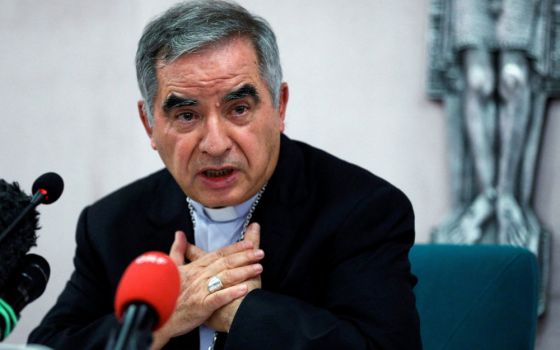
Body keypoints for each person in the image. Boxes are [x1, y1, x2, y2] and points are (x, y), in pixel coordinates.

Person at [28, 1, 421, 349]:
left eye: (238, 109)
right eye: (186, 115)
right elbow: (49, 344)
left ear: (279, 107)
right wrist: (161, 319)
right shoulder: (110, 225)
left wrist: (242, 310)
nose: (215, 144)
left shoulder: (362, 210)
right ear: (149, 124)